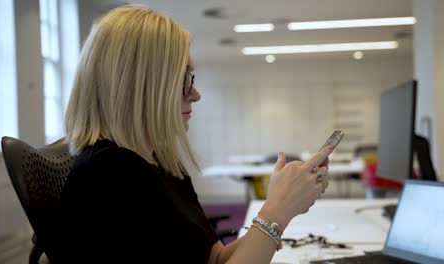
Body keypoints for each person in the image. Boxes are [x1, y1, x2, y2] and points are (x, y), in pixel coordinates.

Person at [55, 5, 331, 264]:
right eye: (184, 81)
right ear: (143, 87)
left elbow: (216, 257)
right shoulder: (111, 175)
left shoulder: (159, 164)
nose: (195, 95)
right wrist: (278, 210)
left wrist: (282, 202)